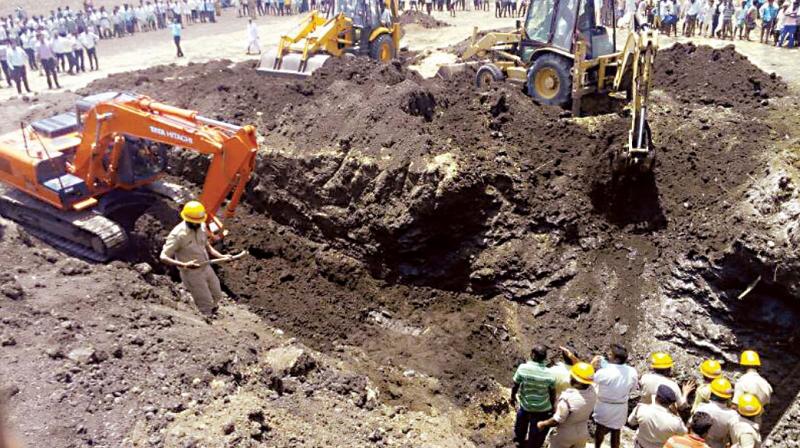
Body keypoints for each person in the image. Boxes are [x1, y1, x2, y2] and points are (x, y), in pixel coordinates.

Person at [160, 201, 232, 316]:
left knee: (217, 295)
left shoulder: (201, 225)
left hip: (206, 267)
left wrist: (222, 256)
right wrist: (184, 264)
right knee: (205, 303)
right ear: (188, 220)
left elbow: (207, 246)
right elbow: (163, 256)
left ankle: (212, 310)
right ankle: (207, 321)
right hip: (192, 273)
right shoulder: (178, 235)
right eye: (195, 222)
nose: (198, 224)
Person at [536, 362, 597, 448]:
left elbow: (557, 420)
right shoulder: (592, 392)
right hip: (582, 432)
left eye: (572, 376)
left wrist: (543, 424)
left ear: (577, 381)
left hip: (565, 434)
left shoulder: (568, 398)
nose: (570, 377)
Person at [591, 343, 638, 448]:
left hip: (604, 406)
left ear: (615, 358)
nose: (608, 356)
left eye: (610, 354)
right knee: (616, 432)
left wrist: (592, 364)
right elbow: (633, 389)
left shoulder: (604, 372)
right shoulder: (632, 372)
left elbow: (589, 379)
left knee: (600, 429)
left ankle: (597, 447)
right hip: (620, 407)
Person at [510, 345, 556, 448]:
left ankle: (520, 441)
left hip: (526, 405)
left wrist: (512, 397)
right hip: (542, 408)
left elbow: (515, 385)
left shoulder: (523, 368)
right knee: (535, 434)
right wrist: (553, 407)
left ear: (533, 355)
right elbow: (552, 393)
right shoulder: (550, 373)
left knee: (520, 426)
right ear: (544, 358)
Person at [694, 377, 739, 448]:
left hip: (700, 443)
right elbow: (734, 437)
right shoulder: (733, 415)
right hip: (719, 445)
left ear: (712, 393)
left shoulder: (701, 408)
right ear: (728, 397)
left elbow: (691, 427)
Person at [732, 350, 772, 424]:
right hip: (758, 422)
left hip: (743, 421)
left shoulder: (742, 381)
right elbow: (767, 406)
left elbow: (735, 406)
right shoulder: (766, 384)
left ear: (742, 366)